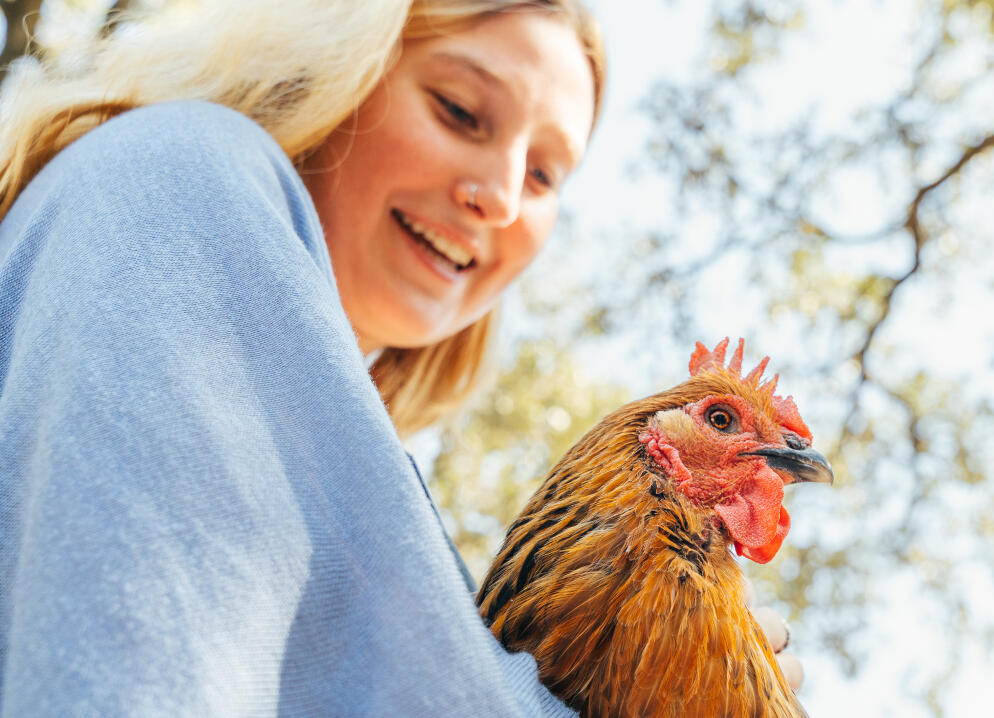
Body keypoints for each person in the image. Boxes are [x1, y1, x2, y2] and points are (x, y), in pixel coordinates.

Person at [0, 0, 798, 714]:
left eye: (545, 173)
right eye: (459, 110)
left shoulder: (364, 489)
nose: (501, 196)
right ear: (335, 71)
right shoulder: (183, 175)